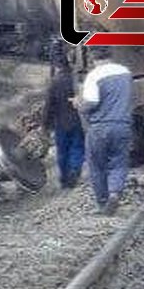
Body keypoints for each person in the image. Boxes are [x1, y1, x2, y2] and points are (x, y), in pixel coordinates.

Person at [79, 46, 133, 215]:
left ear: (93, 57)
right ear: (110, 54)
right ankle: (115, 193)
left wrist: (79, 104)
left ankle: (103, 203)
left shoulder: (94, 76)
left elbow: (92, 103)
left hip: (100, 127)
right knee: (119, 162)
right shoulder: (125, 72)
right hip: (122, 125)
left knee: (97, 166)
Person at [43, 40, 84, 189]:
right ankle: (75, 169)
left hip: (60, 123)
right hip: (78, 121)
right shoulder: (76, 79)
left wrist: (45, 125)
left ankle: (64, 178)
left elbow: (49, 106)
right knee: (77, 147)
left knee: (62, 151)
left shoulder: (54, 82)